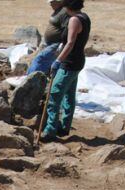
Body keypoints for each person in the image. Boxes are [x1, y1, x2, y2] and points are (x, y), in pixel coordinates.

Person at [41, 0, 90, 141]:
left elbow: (70, 42)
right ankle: (64, 127)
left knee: (55, 95)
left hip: (69, 63)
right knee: (69, 94)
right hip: (77, 61)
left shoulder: (74, 20)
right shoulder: (84, 17)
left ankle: (50, 130)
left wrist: (58, 60)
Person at [27, 1, 69, 75]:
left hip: (56, 43)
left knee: (40, 59)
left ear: (58, 2)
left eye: (52, 2)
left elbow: (66, 29)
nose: (50, 4)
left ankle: (30, 78)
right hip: (49, 42)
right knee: (44, 61)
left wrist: (62, 44)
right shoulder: (57, 11)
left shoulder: (64, 12)